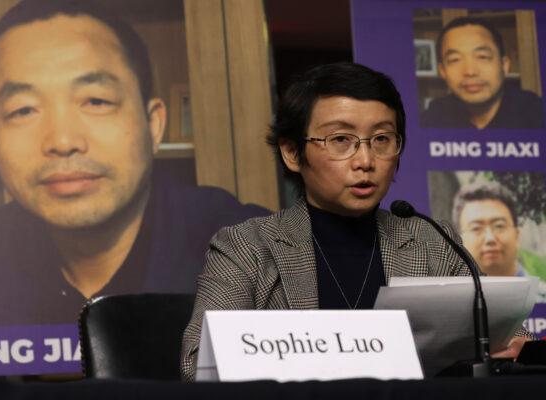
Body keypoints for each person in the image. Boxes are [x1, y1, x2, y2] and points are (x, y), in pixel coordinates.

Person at [180, 62, 532, 381]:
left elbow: (500, 333)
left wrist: (518, 344)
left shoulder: (430, 240)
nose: (365, 160)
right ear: (291, 152)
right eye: (341, 140)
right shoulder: (245, 247)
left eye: (381, 140)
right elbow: (196, 367)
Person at [0, 0, 267, 327]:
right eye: (23, 110)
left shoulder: (256, 254)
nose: (62, 141)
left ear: (152, 125)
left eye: (96, 101)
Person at [420, 17, 543, 130]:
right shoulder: (433, 117)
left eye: (482, 57)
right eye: (454, 60)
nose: (470, 71)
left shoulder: (537, 115)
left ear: (504, 66)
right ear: (442, 71)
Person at [453, 182, 546, 292]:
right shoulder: (446, 305)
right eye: (476, 228)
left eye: (499, 226)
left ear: (517, 235)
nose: (490, 238)